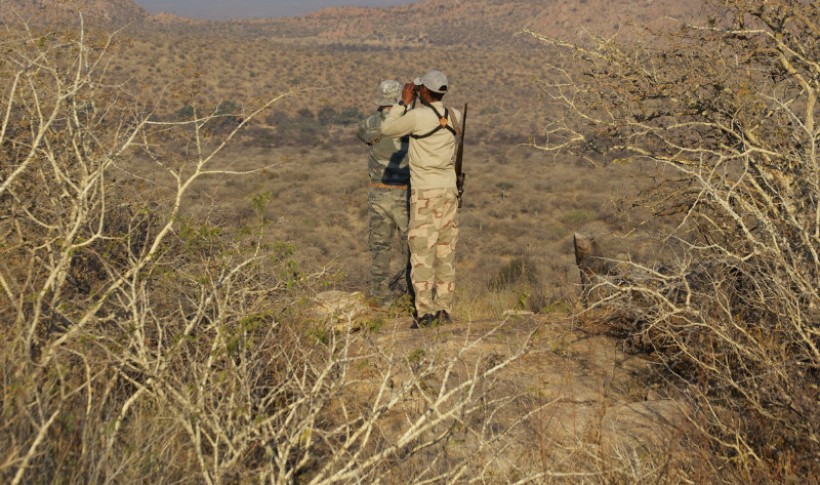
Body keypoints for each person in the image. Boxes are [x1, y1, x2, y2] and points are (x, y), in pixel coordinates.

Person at [380, 70, 462, 328]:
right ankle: (444, 310)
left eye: (420, 89)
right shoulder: (455, 115)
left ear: (424, 91)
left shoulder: (416, 116)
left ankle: (425, 313)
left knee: (422, 254)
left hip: (426, 194)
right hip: (449, 192)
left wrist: (404, 102)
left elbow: (387, 129)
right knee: (445, 253)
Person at [356, 80, 413, 309]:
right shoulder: (408, 122)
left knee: (380, 247)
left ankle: (379, 296)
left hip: (379, 192)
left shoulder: (369, 124)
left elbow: (366, 134)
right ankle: (414, 296)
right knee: (411, 247)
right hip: (404, 193)